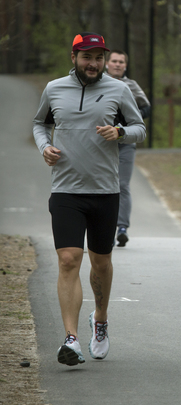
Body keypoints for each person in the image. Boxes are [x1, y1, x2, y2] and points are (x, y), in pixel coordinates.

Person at [32, 32, 146, 366]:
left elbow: (140, 128)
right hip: (66, 190)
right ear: (74, 57)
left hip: (104, 191)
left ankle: (100, 318)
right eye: (87, 57)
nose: (94, 63)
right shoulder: (54, 89)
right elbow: (40, 124)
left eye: (99, 57)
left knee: (100, 263)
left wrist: (120, 132)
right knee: (69, 259)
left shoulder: (119, 89)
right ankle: (71, 339)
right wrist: (44, 147)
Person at [105, 50, 152, 247]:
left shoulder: (131, 85)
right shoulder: (99, 84)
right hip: (103, 143)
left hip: (125, 143)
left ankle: (122, 228)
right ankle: (103, 227)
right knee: (103, 185)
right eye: (114, 61)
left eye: (121, 62)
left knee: (122, 185)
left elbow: (146, 108)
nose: (117, 64)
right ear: (107, 63)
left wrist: (128, 119)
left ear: (125, 65)